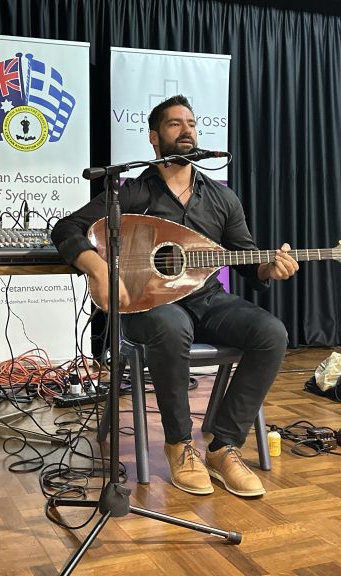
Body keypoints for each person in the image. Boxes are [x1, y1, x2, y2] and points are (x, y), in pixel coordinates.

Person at [51, 95, 295, 498]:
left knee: (272, 333)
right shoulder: (132, 192)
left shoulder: (220, 197)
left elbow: (248, 258)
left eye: (192, 124)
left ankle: (222, 446)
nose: (186, 131)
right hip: (149, 305)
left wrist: (269, 267)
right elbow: (67, 228)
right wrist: (98, 270)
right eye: (174, 124)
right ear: (154, 137)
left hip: (208, 299)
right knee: (172, 326)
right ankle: (179, 444)